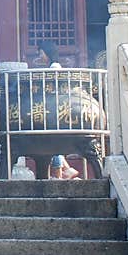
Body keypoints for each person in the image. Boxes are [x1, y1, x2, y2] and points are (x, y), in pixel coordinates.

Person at [35, 40, 80, 179]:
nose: (40, 56)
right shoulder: (55, 66)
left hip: (55, 111)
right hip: (56, 110)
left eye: (41, 53)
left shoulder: (53, 68)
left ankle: (63, 172)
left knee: (52, 143)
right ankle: (66, 171)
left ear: (47, 53)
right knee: (53, 143)